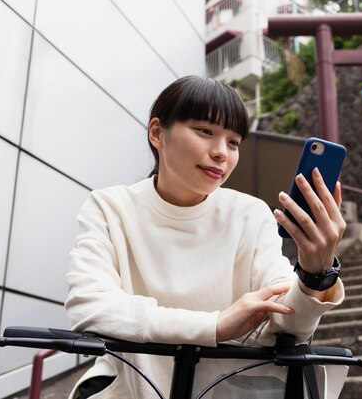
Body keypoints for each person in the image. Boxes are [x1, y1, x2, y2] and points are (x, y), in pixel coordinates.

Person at [65, 75, 346, 398]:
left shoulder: (249, 214)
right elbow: (89, 304)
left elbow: (288, 323)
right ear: (157, 133)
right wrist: (214, 326)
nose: (221, 153)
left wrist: (315, 274)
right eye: (205, 132)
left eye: (233, 142)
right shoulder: (110, 207)